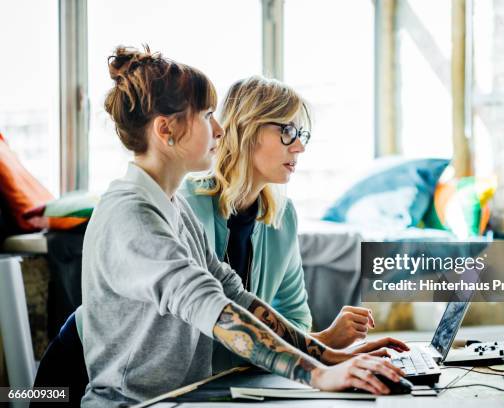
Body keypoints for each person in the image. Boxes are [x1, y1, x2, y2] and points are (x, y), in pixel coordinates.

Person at [80, 46, 407, 407]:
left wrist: (328, 355)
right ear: (166, 130)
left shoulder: (172, 208)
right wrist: (318, 374)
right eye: (207, 116)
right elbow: (211, 305)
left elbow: (235, 296)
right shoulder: (132, 215)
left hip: (186, 398)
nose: (220, 128)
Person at [180, 76, 379, 352]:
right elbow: (196, 337)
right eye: (287, 131)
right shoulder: (187, 204)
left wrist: (321, 347)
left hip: (251, 377)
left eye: (301, 135)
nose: (299, 147)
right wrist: (323, 345)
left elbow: (296, 317)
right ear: (247, 129)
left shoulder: (282, 217)